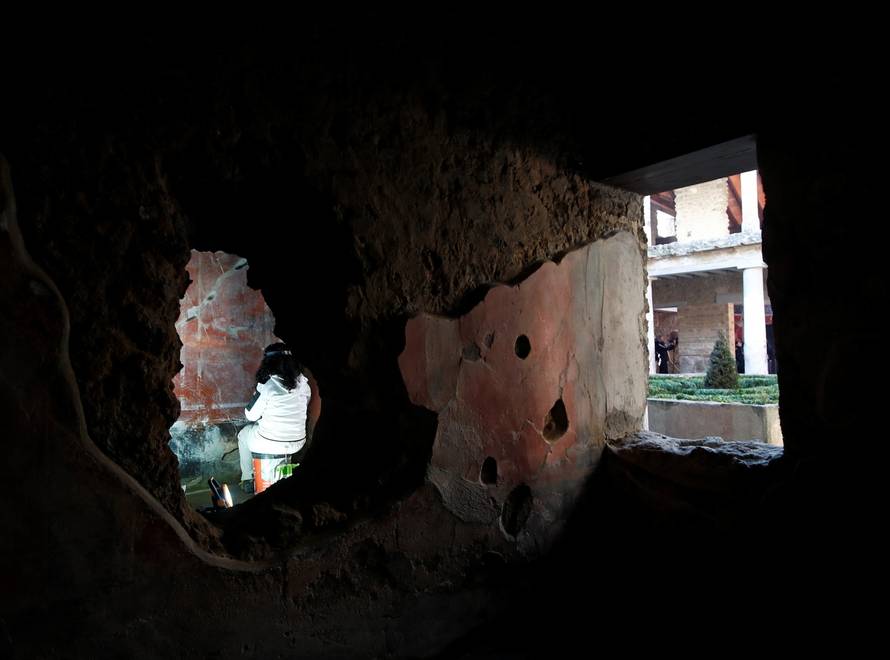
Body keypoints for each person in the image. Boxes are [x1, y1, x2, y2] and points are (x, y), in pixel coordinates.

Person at [238, 343, 311, 493]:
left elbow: (250, 415)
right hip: (298, 443)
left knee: (243, 435)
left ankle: (247, 478)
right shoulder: (304, 384)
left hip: (270, 443)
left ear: (269, 363)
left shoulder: (268, 385)